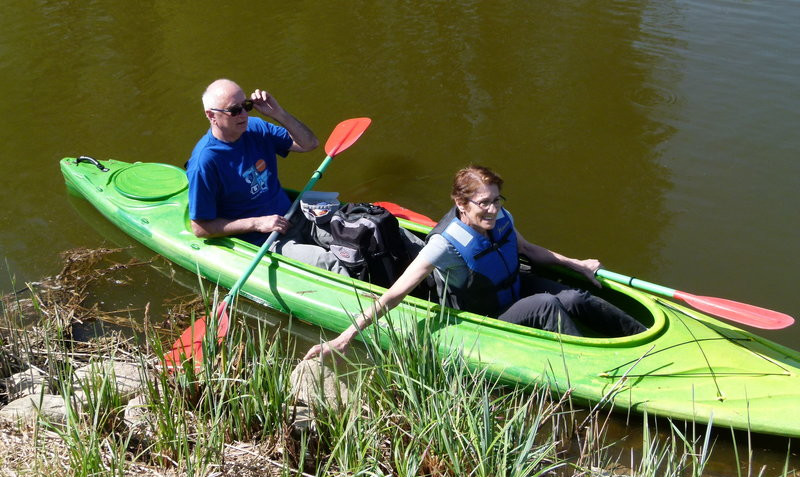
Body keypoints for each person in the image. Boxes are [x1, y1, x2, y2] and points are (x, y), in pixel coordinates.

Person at [304, 165, 646, 359]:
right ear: (461, 203)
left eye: (497, 201)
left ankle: (640, 336)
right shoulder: (442, 245)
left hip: (512, 288)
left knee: (573, 296)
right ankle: (588, 364)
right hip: (485, 313)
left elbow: (529, 250)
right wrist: (345, 337)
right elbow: (394, 294)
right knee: (547, 304)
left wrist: (576, 264)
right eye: (484, 203)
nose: (493, 210)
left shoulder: (500, 218)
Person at [186, 79, 347, 274]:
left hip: (293, 215)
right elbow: (200, 228)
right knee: (328, 263)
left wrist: (278, 113)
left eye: (246, 106)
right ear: (211, 115)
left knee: (353, 236)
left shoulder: (255, 127)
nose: (244, 114)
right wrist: (257, 223)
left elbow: (309, 144)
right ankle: (375, 302)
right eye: (235, 110)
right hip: (263, 240)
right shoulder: (205, 163)